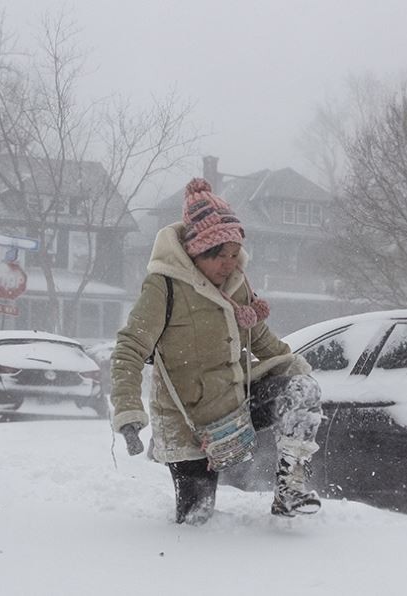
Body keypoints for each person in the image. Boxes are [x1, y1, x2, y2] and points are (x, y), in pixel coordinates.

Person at [110, 178, 323, 524]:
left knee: (301, 389)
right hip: (188, 422)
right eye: (220, 256)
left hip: (236, 404)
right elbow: (129, 348)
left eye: (234, 254)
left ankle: (291, 489)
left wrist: (302, 372)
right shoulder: (164, 285)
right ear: (197, 252)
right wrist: (129, 412)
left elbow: (263, 341)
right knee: (197, 520)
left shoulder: (236, 286)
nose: (230, 264)